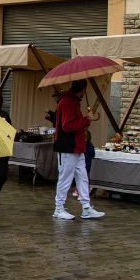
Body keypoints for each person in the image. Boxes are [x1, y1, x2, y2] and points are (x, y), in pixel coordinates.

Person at [52, 79, 105, 220]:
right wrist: (86, 120)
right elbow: (67, 126)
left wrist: (85, 120)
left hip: (76, 147)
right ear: (82, 89)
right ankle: (58, 208)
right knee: (65, 178)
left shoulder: (72, 101)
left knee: (82, 177)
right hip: (68, 147)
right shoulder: (68, 102)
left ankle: (86, 207)